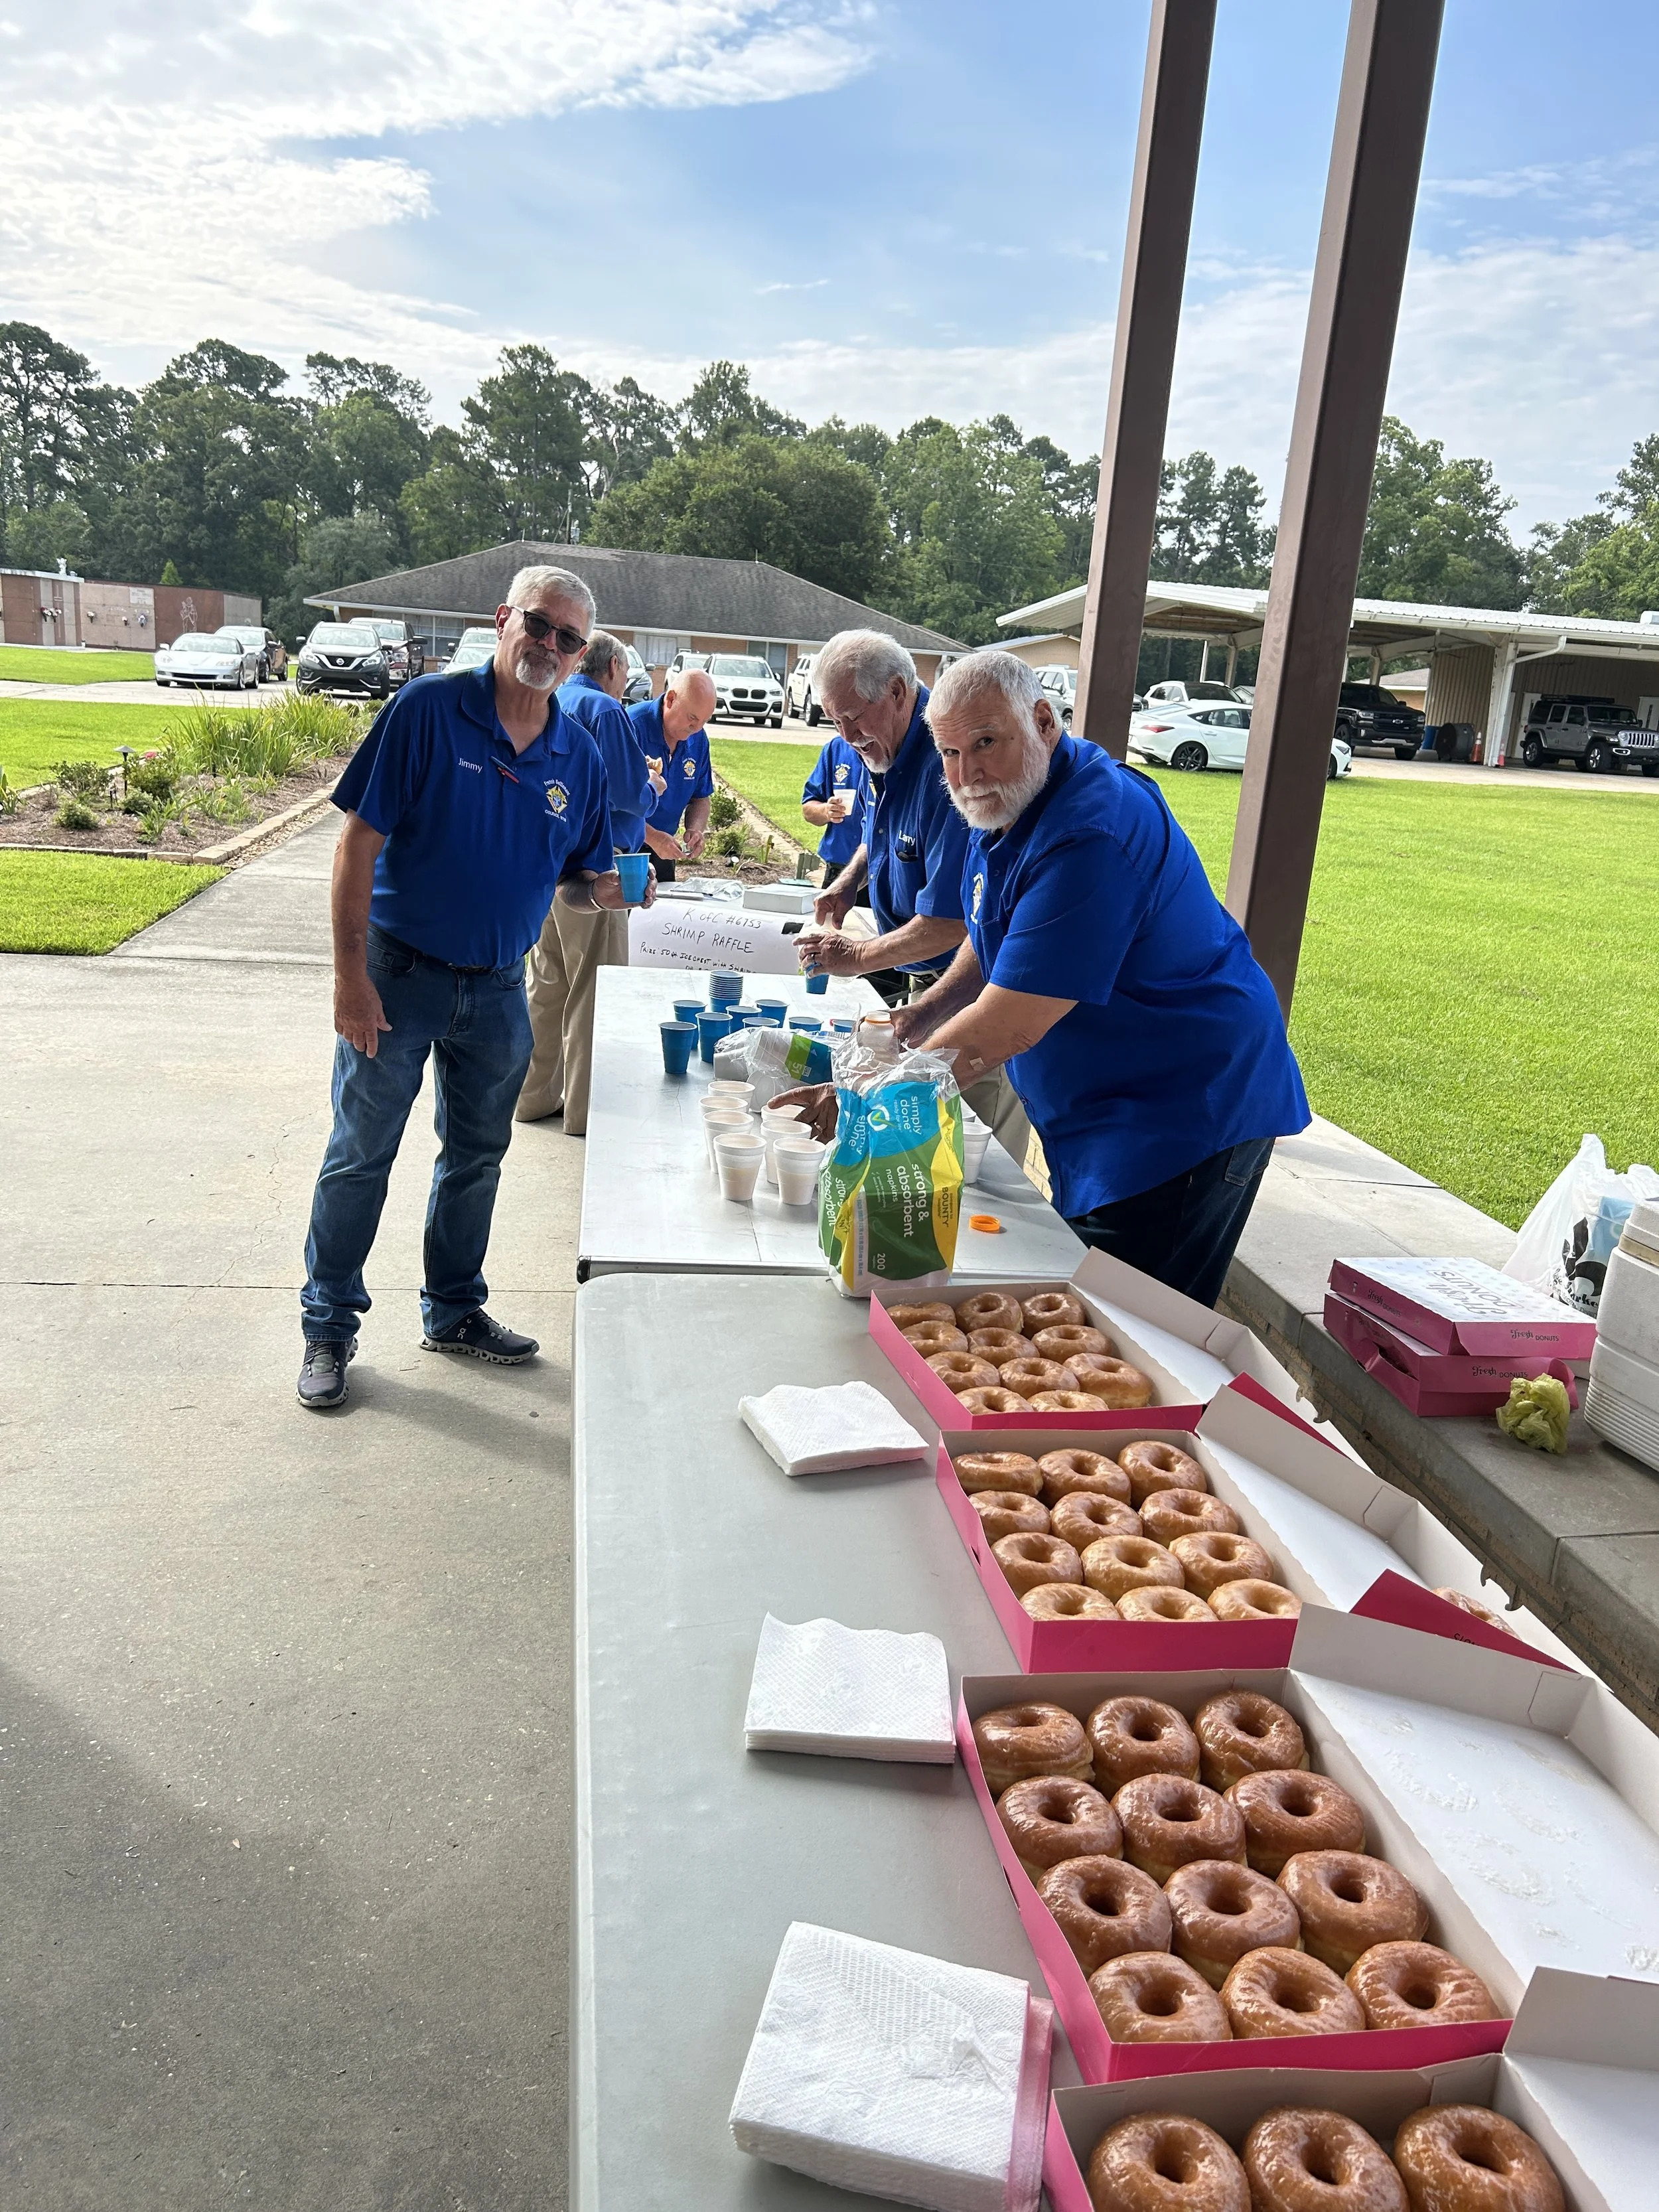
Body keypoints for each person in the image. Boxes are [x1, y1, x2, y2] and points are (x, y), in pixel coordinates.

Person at [297, 566, 648, 1410]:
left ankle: (453, 1310)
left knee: (476, 1160)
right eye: (539, 624)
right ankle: (328, 1327)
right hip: (397, 978)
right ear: (503, 620)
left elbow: (573, 882)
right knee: (360, 1156)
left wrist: (605, 891)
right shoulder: (428, 709)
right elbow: (357, 845)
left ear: (581, 655)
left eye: (569, 638)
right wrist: (349, 980)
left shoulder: (578, 754)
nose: (550, 645)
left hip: (497, 992)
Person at [911, 650, 1309, 1305]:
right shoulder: (1011, 800)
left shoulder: (1092, 829)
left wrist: (880, 1103)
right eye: (949, 753)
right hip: (1107, 1111)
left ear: (1043, 722)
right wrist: (922, 1014)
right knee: (1091, 1314)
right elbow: (1001, 936)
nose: (966, 774)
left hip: (1182, 1112)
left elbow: (1011, 1023)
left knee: (1134, 1328)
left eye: (985, 743)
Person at [792, 628, 1027, 1156]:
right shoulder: (882, 748)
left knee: (966, 1154)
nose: (847, 735)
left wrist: (858, 957)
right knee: (920, 1144)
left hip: (975, 993)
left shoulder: (948, 769)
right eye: (834, 720)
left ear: (897, 692)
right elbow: (882, 831)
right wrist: (849, 880)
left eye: (853, 717)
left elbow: (951, 925)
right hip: (931, 985)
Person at [516, 632, 663, 1136]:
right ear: (614, 666)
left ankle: (531, 1096)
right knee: (593, 989)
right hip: (599, 868)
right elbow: (628, 793)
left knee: (547, 983)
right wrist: (653, 786)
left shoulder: (554, 699)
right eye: (627, 674)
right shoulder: (606, 709)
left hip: (548, 862)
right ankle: (583, 1112)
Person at [636, 667, 717, 881]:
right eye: (692, 718)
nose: (697, 728)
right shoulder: (631, 726)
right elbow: (610, 805)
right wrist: (653, 837)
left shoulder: (698, 739)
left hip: (664, 849)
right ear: (671, 699)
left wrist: (695, 829)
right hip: (625, 848)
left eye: (704, 721)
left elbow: (701, 797)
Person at [800, 729, 870, 889]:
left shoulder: (892, 747)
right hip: (839, 869)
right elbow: (808, 807)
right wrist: (826, 811)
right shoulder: (836, 748)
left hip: (883, 873)